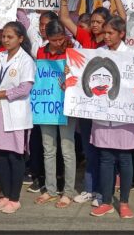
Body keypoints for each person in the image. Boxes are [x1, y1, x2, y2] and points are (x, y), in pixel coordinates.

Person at [89, 17, 134, 219]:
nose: (106, 36)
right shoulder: (97, 53)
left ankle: (124, 202)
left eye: (111, 33)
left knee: (125, 159)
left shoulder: (133, 56)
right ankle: (107, 201)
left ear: (122, 34)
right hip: (102, 117)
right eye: (105, 33)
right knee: (106, 159)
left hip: (125, 117)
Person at [0, 21, 35, 214]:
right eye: (3, 36)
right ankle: (4, 195)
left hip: (15, 114)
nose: (5, 40)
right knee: (0, 155)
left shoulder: (25, 60)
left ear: (20, 39)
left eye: (10, 37)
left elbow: (24, 89)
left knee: (15, 157)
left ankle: (14, 198)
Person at [34, 19, 77, 208]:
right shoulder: (40, 52)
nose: (58, 43)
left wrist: (71, 74)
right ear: (47, 38)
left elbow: (81, 77)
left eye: (61, 39)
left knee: (67, 150)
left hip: (66, 106)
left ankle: (68, 192)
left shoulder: (72, 51)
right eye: (54, 40)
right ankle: (50, 190)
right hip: (46, 107)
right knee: (48, 149)